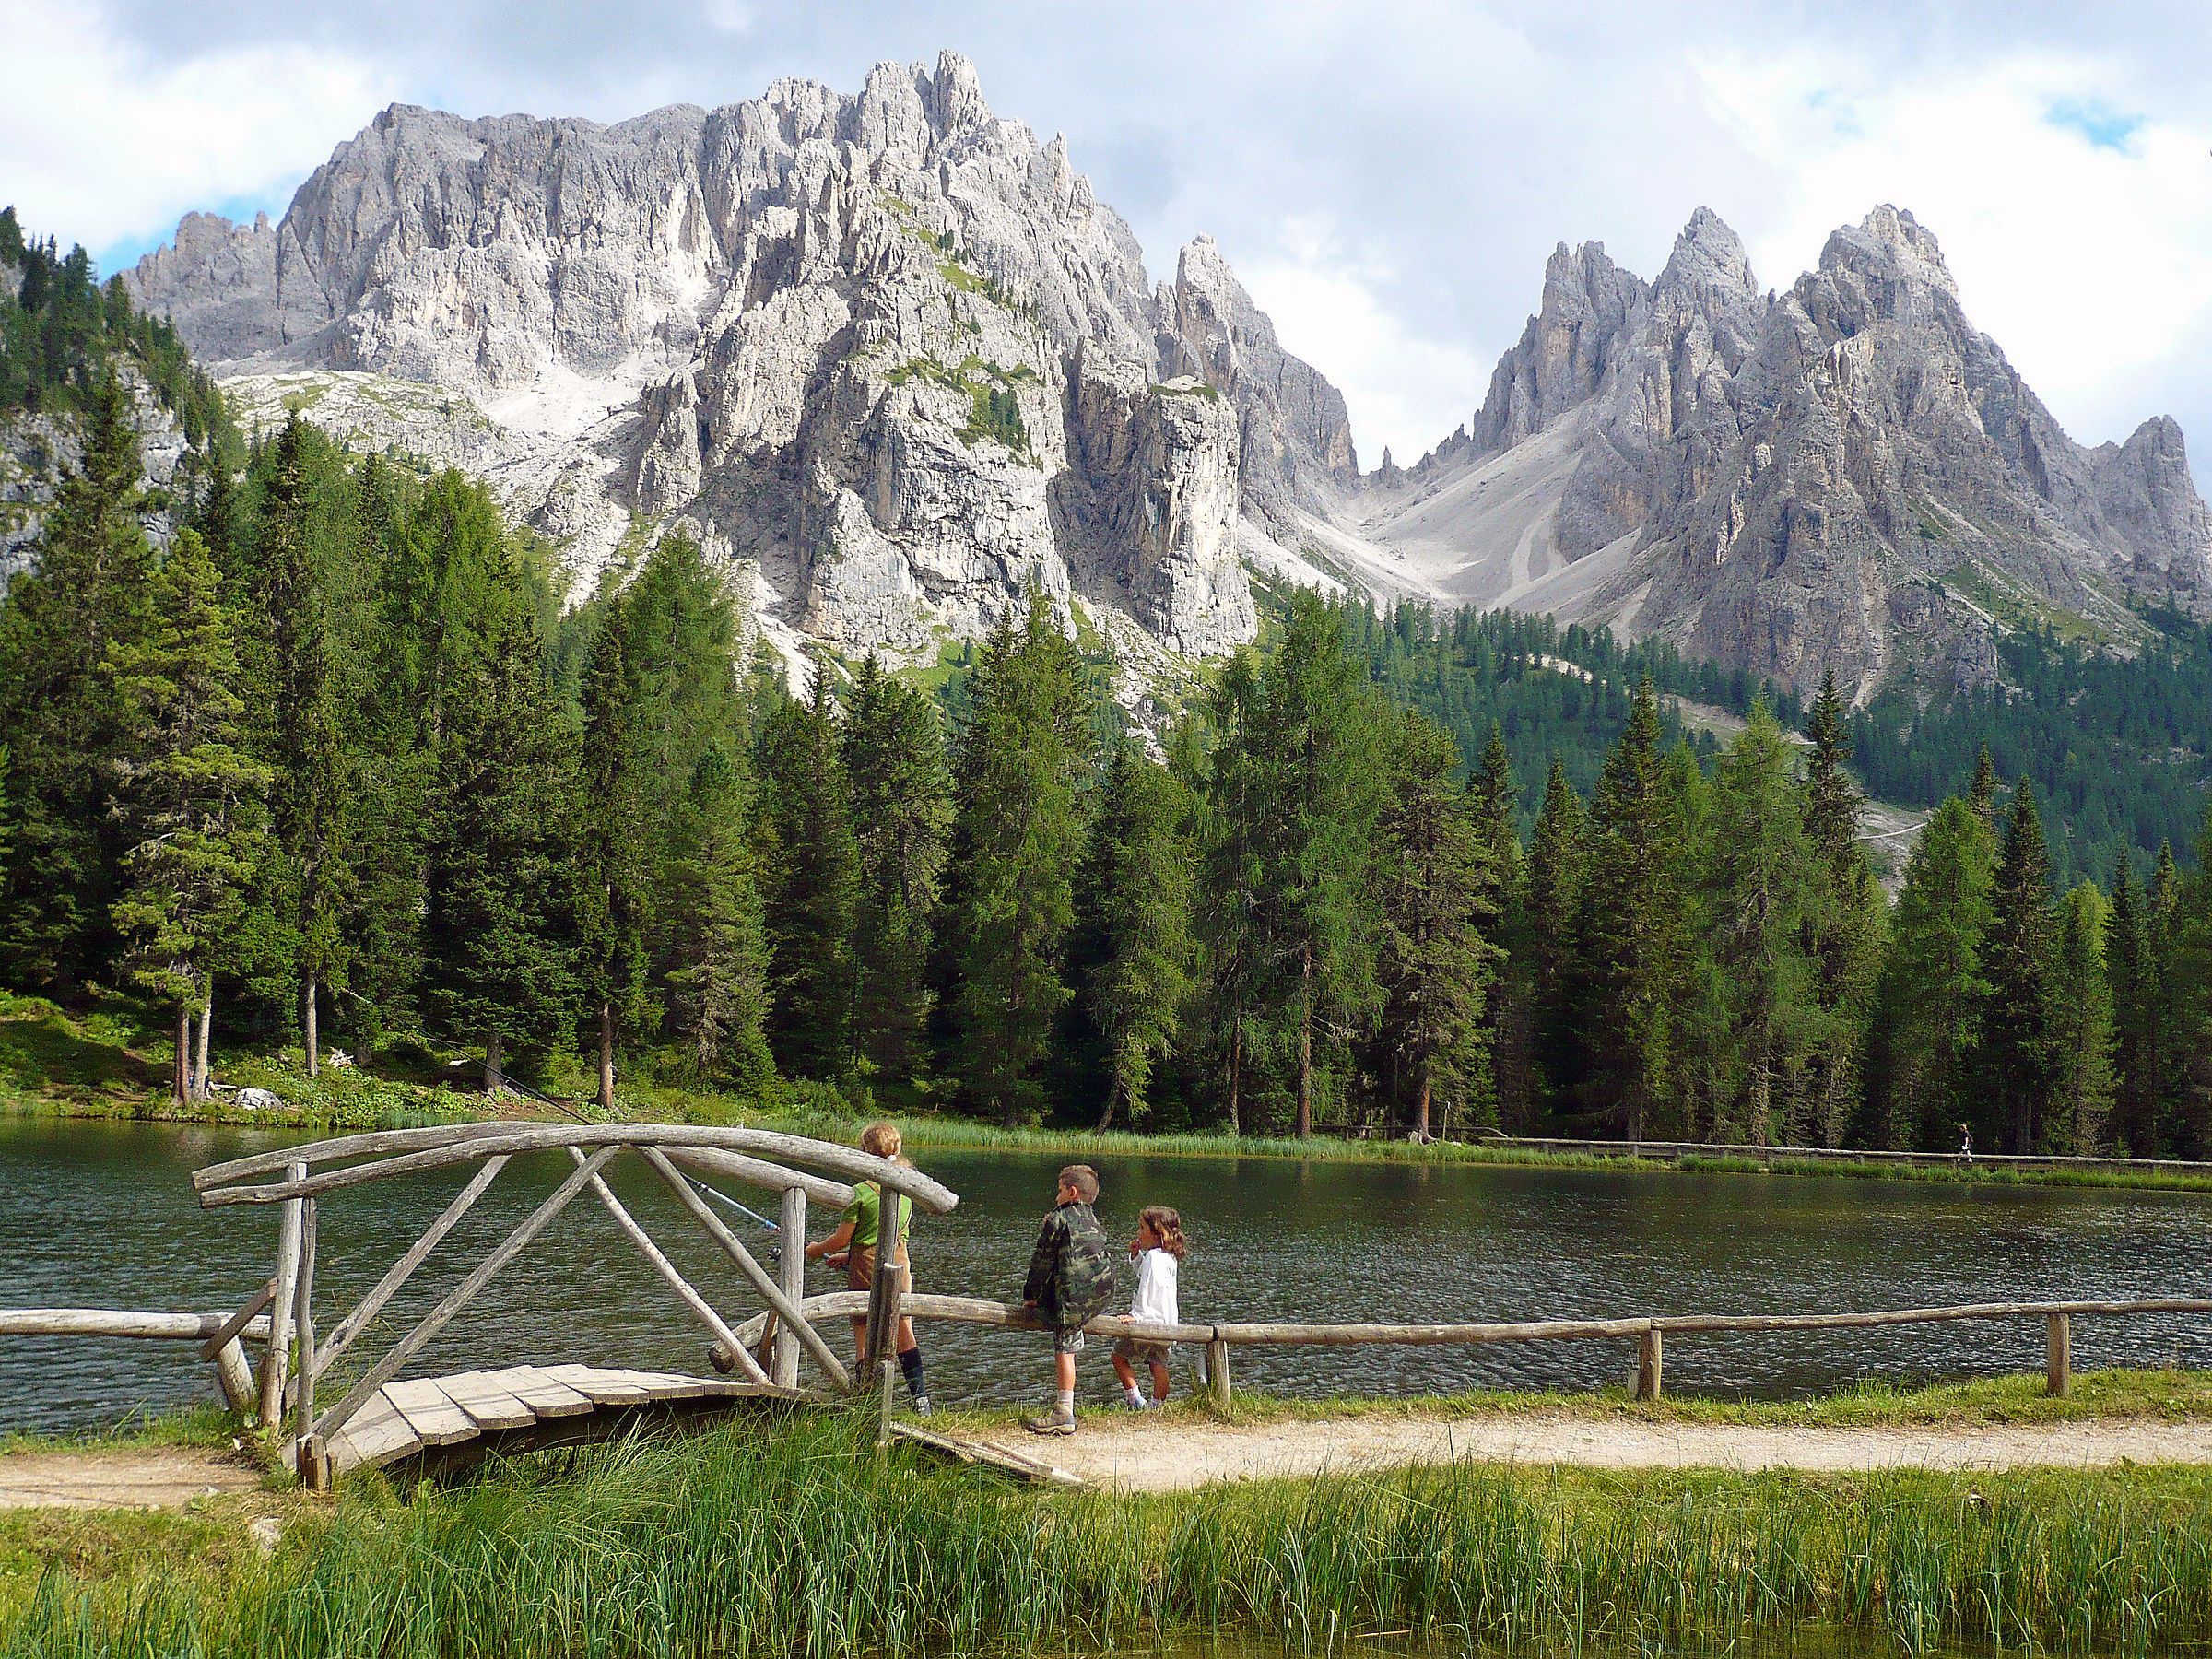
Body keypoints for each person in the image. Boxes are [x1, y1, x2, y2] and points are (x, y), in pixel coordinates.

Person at [804, 1121, 929, 1414]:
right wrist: (846, 1257)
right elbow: (888, 1236)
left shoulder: (860, 1192)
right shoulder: (908, 1188)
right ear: (896, 1148)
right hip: (900, 1264)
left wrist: (815, 1250)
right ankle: (921, 1400)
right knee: (904, 1328)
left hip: (865, 1270)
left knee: (863, 1330)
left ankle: (866, 1402)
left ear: (864, 1151)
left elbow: (841, 1239)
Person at [1018, 1164, 1115, 1436]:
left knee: (1064, 1346)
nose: (1056, 1194)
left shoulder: (1058, 1218)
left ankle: (1064, 1411)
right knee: (1071, 1332)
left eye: (1059, 1189)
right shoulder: (1093, 1218)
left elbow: (1041, 1262)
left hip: (1073, 1299)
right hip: (1099, 1296)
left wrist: (1031, 1296)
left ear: (1072, 1192)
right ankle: (1065, 1409)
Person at [1112, 1205, 1188, 1410]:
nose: (1139, 1233)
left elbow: (1146, 1287)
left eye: (1142, 1228)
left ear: (1157, 1233)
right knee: (1159, 1366)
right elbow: (1150, 1277)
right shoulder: (1169, 1257)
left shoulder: (1154, 1257)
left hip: (1147, 1321)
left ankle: (1136, 1400)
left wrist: (1137, 1315)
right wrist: (1137, 1257)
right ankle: (1157, 1406)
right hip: (1166, 1323)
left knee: (1118, 1358)